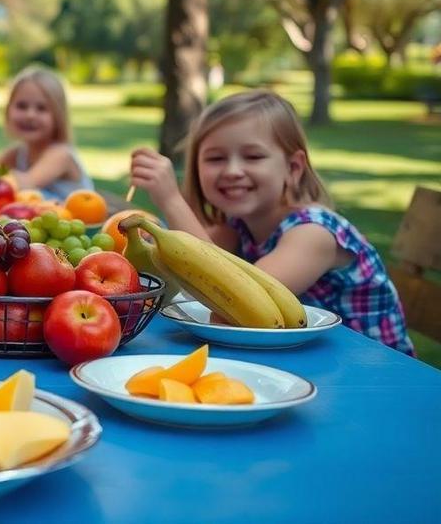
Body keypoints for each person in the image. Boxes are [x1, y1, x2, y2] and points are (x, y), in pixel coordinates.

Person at [129, 90, 413, 355]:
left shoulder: (314, 234)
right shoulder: (239, 225)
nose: (233, 171)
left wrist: (171, 200)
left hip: (372, 372)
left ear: (293, 168)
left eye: (253, 156)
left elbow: (235, 290)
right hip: (301, 360)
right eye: (215, 158)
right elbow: (195, 263)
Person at [0, 66, 94, 199]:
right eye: (22, 106)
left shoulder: (60, 155)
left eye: (42, 108)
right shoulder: (18, 153)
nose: (30, 115)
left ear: (58, 116)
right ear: (8, 110)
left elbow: (25, 183)